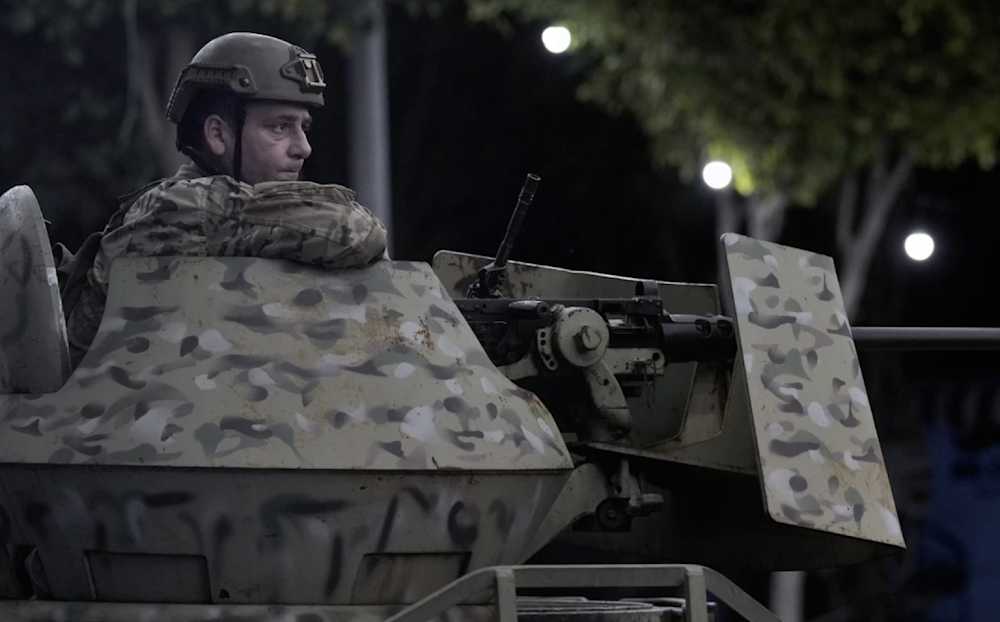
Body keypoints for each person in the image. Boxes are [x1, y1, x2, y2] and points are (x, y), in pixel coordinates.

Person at [57, 32, 388, 367]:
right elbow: (355, 232)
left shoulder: (213, 216)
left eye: (303, 127)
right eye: (280, 127)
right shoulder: (182, 209)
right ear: (218, 134)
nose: (303, 147)